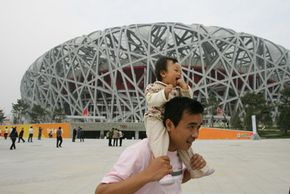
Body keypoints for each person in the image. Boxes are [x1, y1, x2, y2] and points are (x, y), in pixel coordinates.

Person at [95, 97, 210, 194]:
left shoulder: (180, 152)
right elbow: (101, 191)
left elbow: (173, 182)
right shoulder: (142, 151)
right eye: (191, 126)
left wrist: (190, 171)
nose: (196, 134)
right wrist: (147, 175)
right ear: (169, 125)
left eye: (198, 127)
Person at [144, 56, 214, 184]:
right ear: (163, 73)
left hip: (172, 122)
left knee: (185, 148)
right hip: (155, 119)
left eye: (180, 71)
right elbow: (151, 100)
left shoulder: (178, 89)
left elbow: (188, 103)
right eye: (176, 70)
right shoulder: (153, 86)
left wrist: (185, 89)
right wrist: (164, 93)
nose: (179, 73)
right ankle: (162, 173)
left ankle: (197, 170)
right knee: (159, 143)